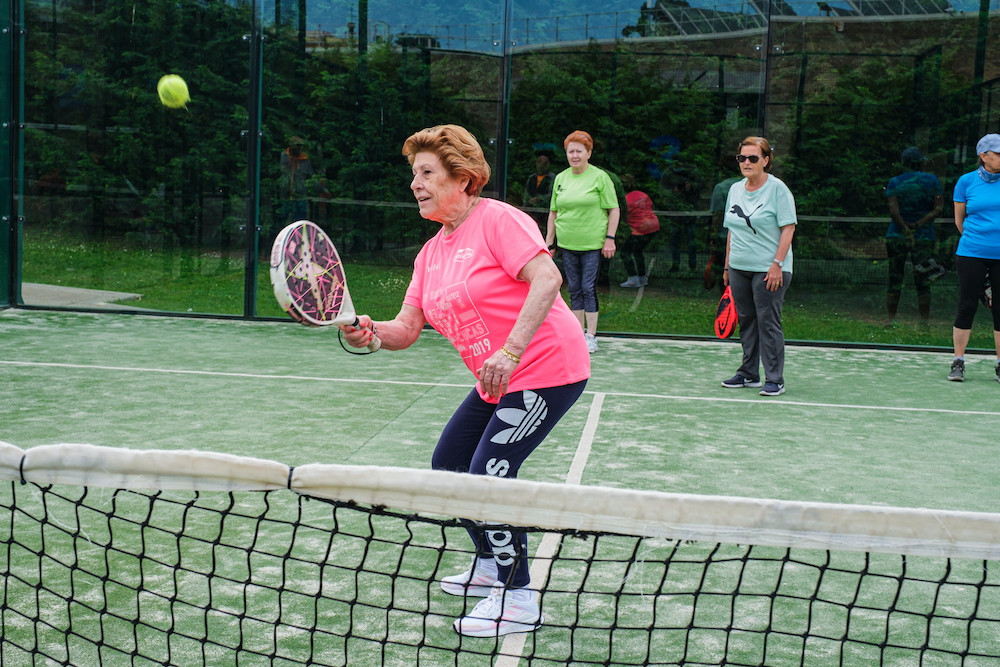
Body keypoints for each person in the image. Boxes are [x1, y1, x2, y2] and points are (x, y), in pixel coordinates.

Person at [339, 124, 590, 637]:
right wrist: (370, 332)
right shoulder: (430, 254)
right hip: (497, 378)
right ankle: (487, 564)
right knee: (449, 465)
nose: (416, 183)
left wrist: (511, 349)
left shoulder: (498, 219)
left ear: (464, 179)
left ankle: (519, 597)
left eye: (427, 173)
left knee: (490, 472)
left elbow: (548, 278)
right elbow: (406, 329)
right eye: (414, 175)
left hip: (546, 368)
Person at [720, 136, 797, 397]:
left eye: (753, 158)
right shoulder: (735, 189)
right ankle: (749, 373)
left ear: (766, 161)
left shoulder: (778, 189)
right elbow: (732, 230)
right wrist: (727, 266)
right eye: (742, 158)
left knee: (768, 321)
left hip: (770, 269)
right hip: (740, 266)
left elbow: (788, 228)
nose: (747, 163)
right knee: (747, 320)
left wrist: (777, 265)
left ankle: (775, 379)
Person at [545, 130, 621, 353]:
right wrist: (549, 243)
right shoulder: (561, 178)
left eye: (579, 151)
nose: (574, 155)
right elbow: (553, 213)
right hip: (567, 245)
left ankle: (591, 336)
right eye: (571, 151)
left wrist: (610, 239)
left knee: (588, 288)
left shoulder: (600, 177)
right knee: (574, 289)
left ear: (589, 153)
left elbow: (614, 209)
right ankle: (578, 335)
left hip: (592, 245)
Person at [947, 133, 1000, 383]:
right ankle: (958, 362)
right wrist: (979, 242)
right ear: (983, 156)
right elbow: (960, 221)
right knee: (967, 305)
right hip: (971, 254)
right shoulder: (966, 181)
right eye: (998, 153)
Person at [884, 146, 944, 325]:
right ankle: (924, 322)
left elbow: (893, 211)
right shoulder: (933, 181)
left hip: (896, 235)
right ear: (920, 162)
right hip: (924, 236)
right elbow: (938, 209)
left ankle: (890, 319)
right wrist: (918, 225)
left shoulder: (895, 181)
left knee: (895, 277)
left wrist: (904, 229)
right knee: (924, 279)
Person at [619, 174, 660, 288]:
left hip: (641, 229)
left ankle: (633, 278)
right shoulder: (642, 194)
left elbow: (620, 215)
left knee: (625, 252)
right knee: (637, 250)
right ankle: (642, 277)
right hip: (654, 225)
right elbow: (651, 206)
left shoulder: (625, 200)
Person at [279, 136, 330, 223]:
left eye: (301, 146)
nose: (299, 148)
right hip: (285, 196)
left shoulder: (305, 161)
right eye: (297, 145)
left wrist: (323, 190)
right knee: (283, 222)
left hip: (300, 197)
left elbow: (312, 178)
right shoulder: (284, 157)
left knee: (300, 223)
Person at [707, 169, 742, 292]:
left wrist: (713, 237)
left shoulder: (721, 187)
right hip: (743, 237)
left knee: (725, 273)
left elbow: (717, 215)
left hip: (724, 237)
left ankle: (727, 300)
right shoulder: (751, 185)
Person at [523, 151, 556, 229]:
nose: (541, 166)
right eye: (539, 163)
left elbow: (552, 195)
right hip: (531, 211)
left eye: (544, 164)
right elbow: (526, 195)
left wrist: (540, 199)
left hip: (545, 213)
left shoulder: (552, 178)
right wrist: (529, 201)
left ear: (548, 165)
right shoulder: (532, 178)